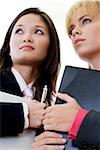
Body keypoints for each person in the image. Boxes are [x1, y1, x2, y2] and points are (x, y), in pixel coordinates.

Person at [32, 0, 100, 149]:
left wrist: (80, 121)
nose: (75, 32)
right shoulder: (74, 89)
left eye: (86, 21)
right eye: (71, 29)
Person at [0, 7, 60, 137]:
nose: (27, 38)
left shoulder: (53, 105)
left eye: (38, 32)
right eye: (19, 31)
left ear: (50, 48)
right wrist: (24, 114)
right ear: (8, 48)